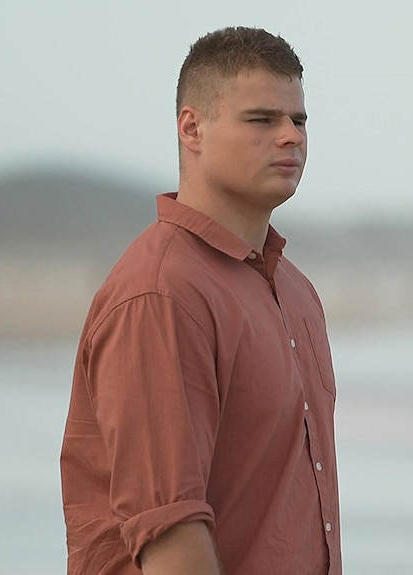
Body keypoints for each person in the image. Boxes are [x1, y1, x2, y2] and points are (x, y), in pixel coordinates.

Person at [60, 27, 342, 575]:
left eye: (299, 120)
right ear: (192, 128)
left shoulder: (296, 292)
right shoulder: (161, 293)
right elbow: (169, 529)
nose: (291, 136)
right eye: (262, 119)